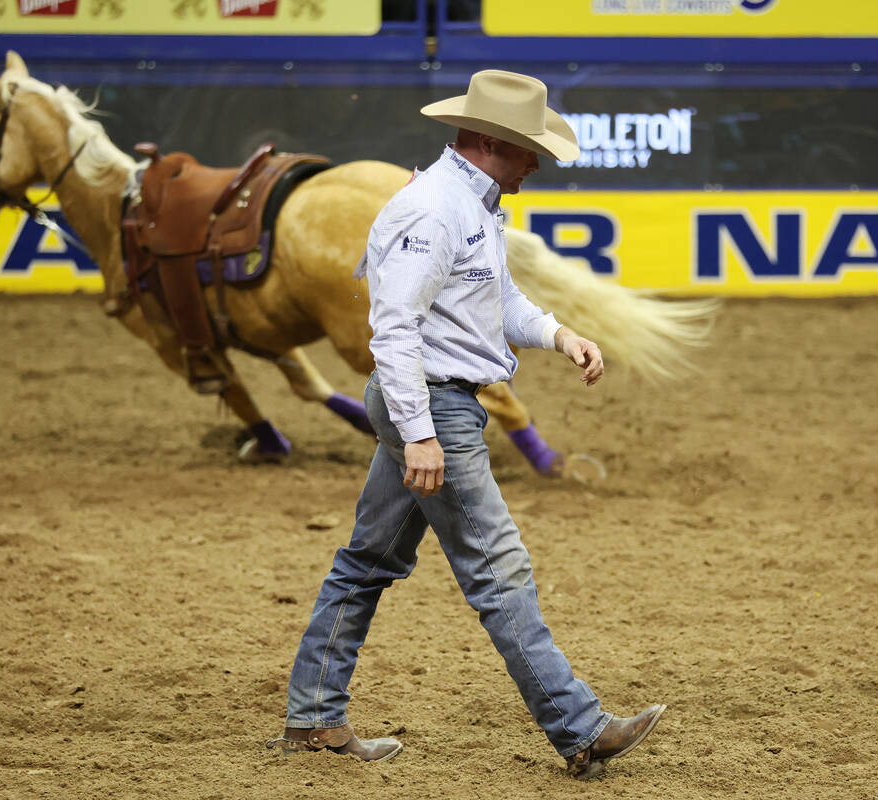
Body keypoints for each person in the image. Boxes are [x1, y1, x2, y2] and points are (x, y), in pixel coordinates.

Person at [265, 70, 664, 780]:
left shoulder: (466, 204)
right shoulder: (436, 211)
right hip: (432, 404)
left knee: (368, 560)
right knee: (497, 568)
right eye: (524, 147)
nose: (535, 161)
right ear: (486, 141)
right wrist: (420, 432)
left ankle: (314, 714)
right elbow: (392, 328)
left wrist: (560, 334)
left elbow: (494, 299)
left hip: (431, 401)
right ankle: (578, 727)